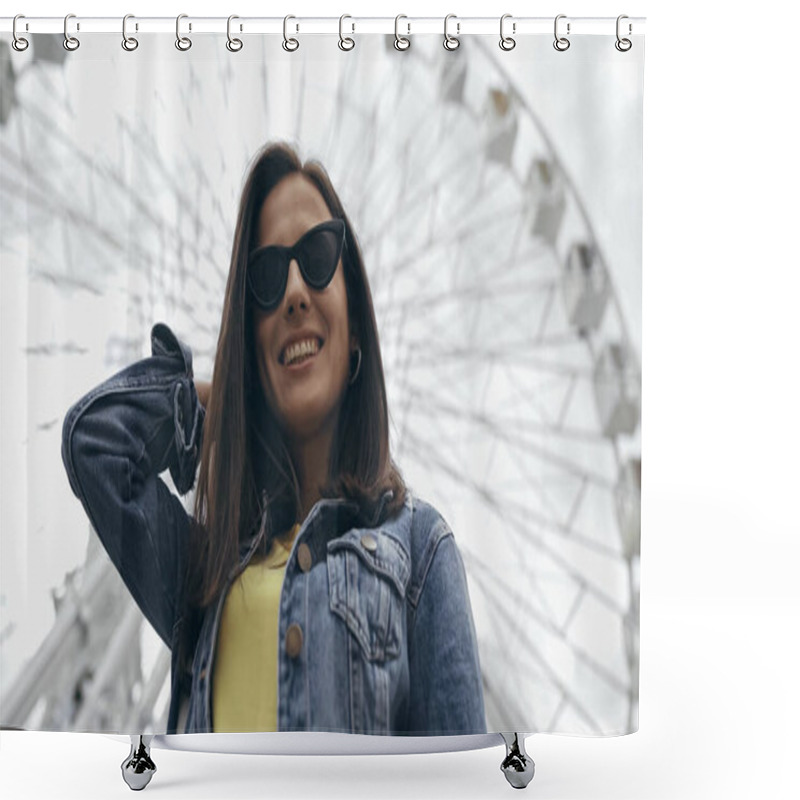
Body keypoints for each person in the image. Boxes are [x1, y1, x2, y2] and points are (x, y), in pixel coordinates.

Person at [61, 141, 486, 736]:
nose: (292, 292)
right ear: (249, 346)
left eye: (317, 254)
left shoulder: (420, 550)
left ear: (357, 321)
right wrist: (226, 400)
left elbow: (463, 778)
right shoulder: (202, 575)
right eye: (265, 276)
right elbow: (94, 443)